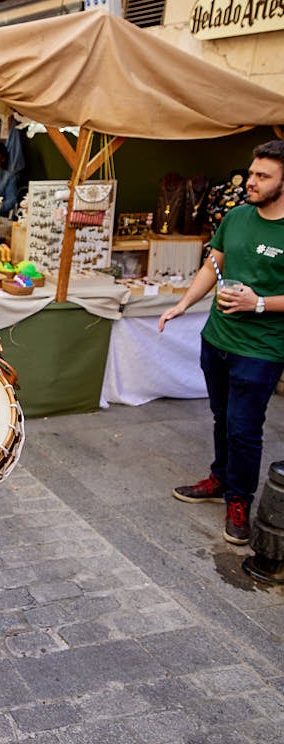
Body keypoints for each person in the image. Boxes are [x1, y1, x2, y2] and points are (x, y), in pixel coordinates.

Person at [159, 139, 284, 546]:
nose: (251, 181)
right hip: (217, 338)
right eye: (252, 173)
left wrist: (259, 302)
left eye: (263, 176)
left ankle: (239, 500)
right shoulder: (237, 217)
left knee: (244, 429)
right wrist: (183, 304)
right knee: (221, 418)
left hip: (261, 348)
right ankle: (220, 478)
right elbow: (214, 265)